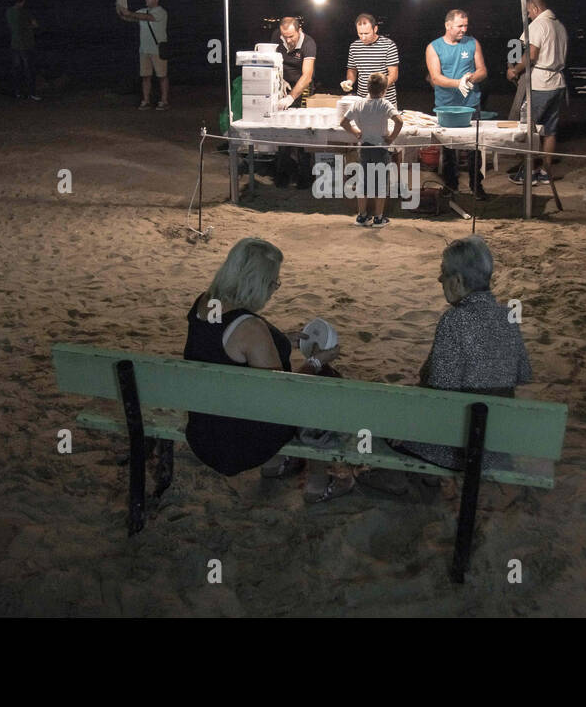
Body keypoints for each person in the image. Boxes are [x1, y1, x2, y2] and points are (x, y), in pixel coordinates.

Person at [183, 237, 354, 502]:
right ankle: (318, 484)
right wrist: (318, 361)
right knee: (322, 384)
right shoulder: (251, 328)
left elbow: (226, 350)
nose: (275, 289)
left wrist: (282, 340)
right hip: (237, 441)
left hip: (205, 426)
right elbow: (280, 393)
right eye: (273, 282)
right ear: (257, 284)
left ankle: (276, 464)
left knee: (255, 392)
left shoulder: (204, 304)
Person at [390, 236, 531, 471]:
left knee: (384, 422)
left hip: (462, 447)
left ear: (457, 281)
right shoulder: (508, 317)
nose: (439, 279)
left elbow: (440, 390)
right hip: (496, 443)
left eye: (443, 273)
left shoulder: (454, 320)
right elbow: (522, 374)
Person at [425, 9, 489, 200]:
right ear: (448, 25)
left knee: (473, 147)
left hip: (471, 103)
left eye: (466, 25)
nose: (464, 29)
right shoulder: (433, 47)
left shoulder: (472, 43)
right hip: (445, 104)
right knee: (448, 147)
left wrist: (469, 79)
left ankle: (476, 184)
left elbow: (483, 70)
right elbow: (435, 77)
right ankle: (451, 184)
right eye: (460, 26)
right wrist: (457, 83)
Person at [506, 0, 568, 184]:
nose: (528, 16)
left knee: (529, 128)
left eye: (529, 12)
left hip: (541, 83)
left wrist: (514, 69)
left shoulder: (538, 24)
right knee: (549, 130)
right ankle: (545, 171)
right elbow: (517, 47)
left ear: (535, 8)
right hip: (558, 82)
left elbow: (531, 55)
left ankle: (529, 171)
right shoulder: (560, 26)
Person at [341, 72, 404, 227]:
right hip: (380, 149)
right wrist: (391, 137)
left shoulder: (358, 104)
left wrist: (355, 132)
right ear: (384, 90)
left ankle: (361, 216)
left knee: (363, 182)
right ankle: (378, 217)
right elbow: (399, 121)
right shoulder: (384, 104)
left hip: (365, 148)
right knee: (380, 183)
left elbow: (344, 122)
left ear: (367, 88)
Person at [271, 17, 317, 188]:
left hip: (302, 87)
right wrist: (279, 82)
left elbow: (307, 76)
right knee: (282, 131)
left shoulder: (308, 43)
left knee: (302, 131)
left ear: (299, 31)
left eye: (291, 36)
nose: (288, 40)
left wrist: (292, 97)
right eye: (285, 36)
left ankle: (305, 175)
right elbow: (272, 62)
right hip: (282, 85)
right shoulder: (277, 36)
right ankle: (283, 173)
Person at [117, 0, 169, 110]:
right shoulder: (142, 11)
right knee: (146, 76)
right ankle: (146, 101)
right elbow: (131, 18)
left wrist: (128, 13)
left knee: (162, 76)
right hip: (144, 49)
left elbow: (145, 17)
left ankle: (164, 100)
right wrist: (121, 13)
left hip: (158, 49)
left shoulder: (161, 12)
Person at [342, 13, 399, 108]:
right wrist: (349, 81)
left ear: (375, 29)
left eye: (366, 33)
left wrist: (377, 91)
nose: (363, 37)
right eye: (360, 34)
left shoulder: (389, 45)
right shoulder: (354, 46)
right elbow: (352, 69)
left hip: (385, 101)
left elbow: (393, 75)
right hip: (363, 101)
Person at [6, 0, 41, 101]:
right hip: (26, 44)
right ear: (23, 1)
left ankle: (17, 92)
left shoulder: (9, 11)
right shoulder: (25, 12)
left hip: (15, 44)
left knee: (17, 70)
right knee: (29, 70)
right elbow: (35, 24)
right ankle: (31, 93)